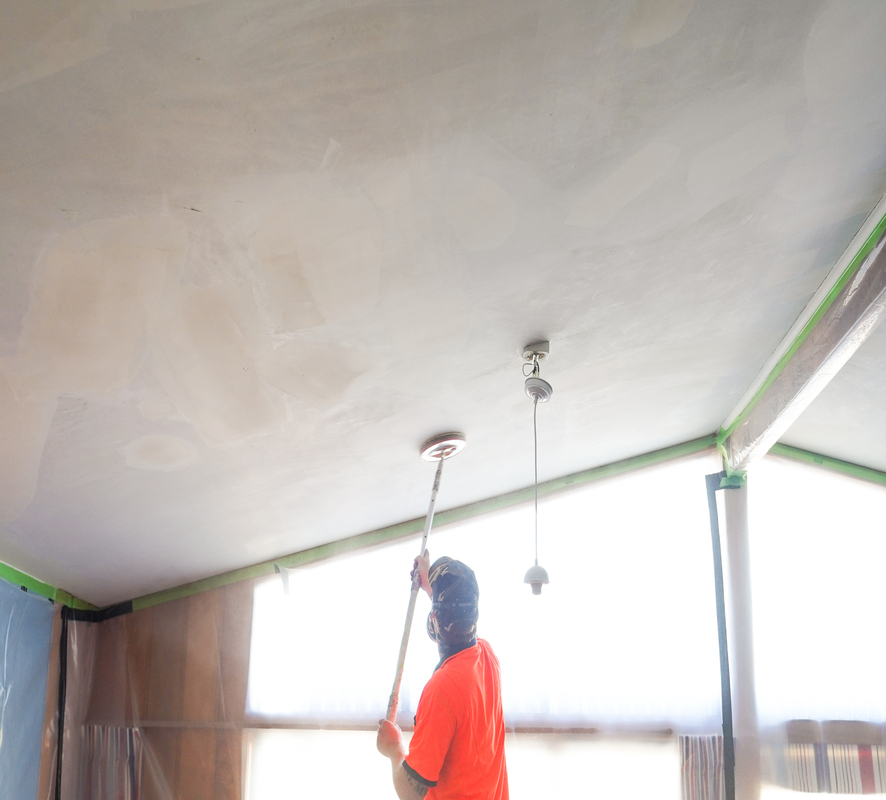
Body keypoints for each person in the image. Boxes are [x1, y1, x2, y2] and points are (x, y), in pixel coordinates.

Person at [377, 554, 509, 800]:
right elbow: (456, 615)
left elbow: (410, 792)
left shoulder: (442, 688)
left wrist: (394, 750)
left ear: (434, 618)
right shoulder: (488, 657)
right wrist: (433, 586)